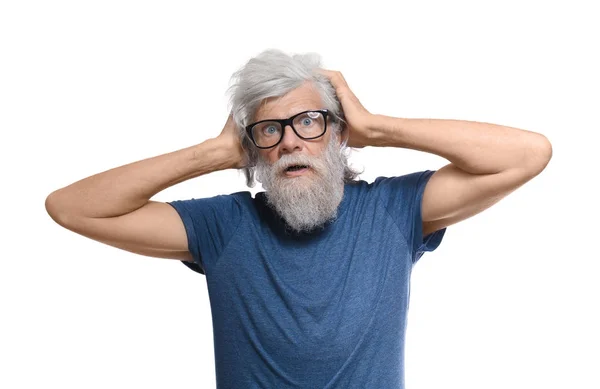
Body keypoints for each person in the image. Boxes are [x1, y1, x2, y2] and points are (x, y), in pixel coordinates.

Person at [45, 49, 552, 388]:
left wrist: (376, 127)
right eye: (269, 129)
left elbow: (528, 153)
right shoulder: (223, 225)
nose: (290, 140)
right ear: (254, 151)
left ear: (337, 133)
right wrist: (212, 153)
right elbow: (71, 207)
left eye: (309, 122)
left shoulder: (393, 210)